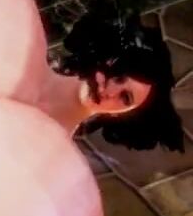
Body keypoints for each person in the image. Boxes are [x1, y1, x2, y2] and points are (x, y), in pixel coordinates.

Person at [40, 11, 185, 152]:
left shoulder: (54, 152)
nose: (110, 90)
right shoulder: (33, 52)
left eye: (125, 98)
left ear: (123, 114)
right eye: (118, 75)